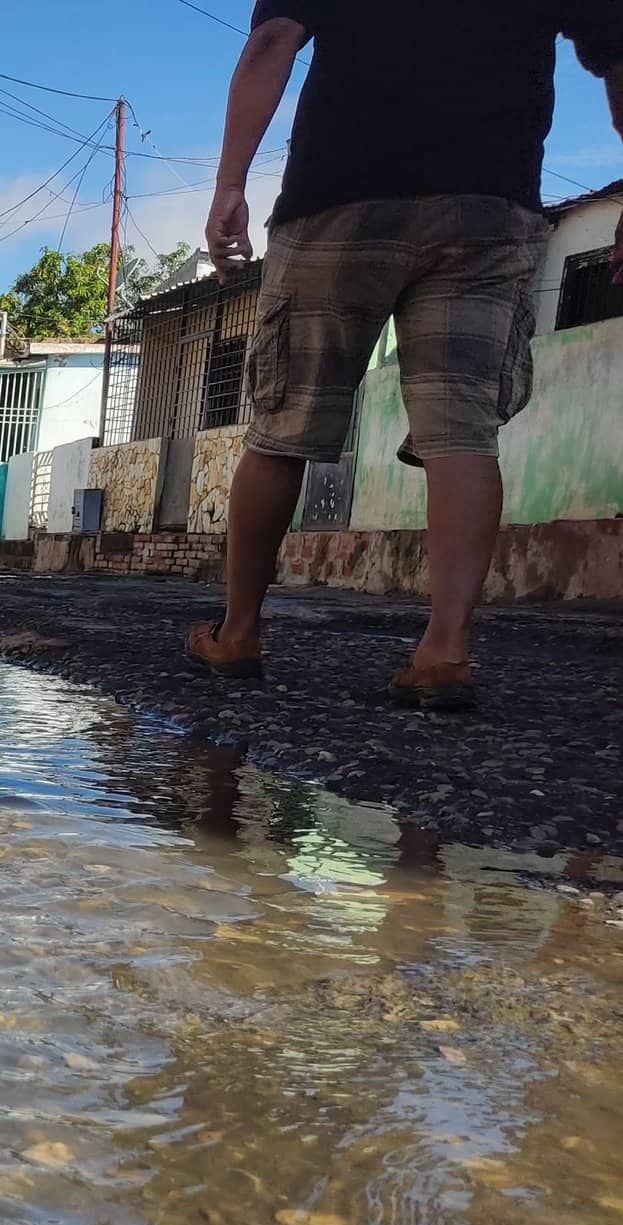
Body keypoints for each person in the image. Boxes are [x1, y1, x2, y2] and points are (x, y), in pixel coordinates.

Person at [187, 1, 623, 710]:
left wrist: (229, 182)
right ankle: (444, 651)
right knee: (460, 434)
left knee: (283, 428)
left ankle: (236, 633)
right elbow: (616, 51)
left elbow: (271, 41)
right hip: (484, 206)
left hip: (337, 201)